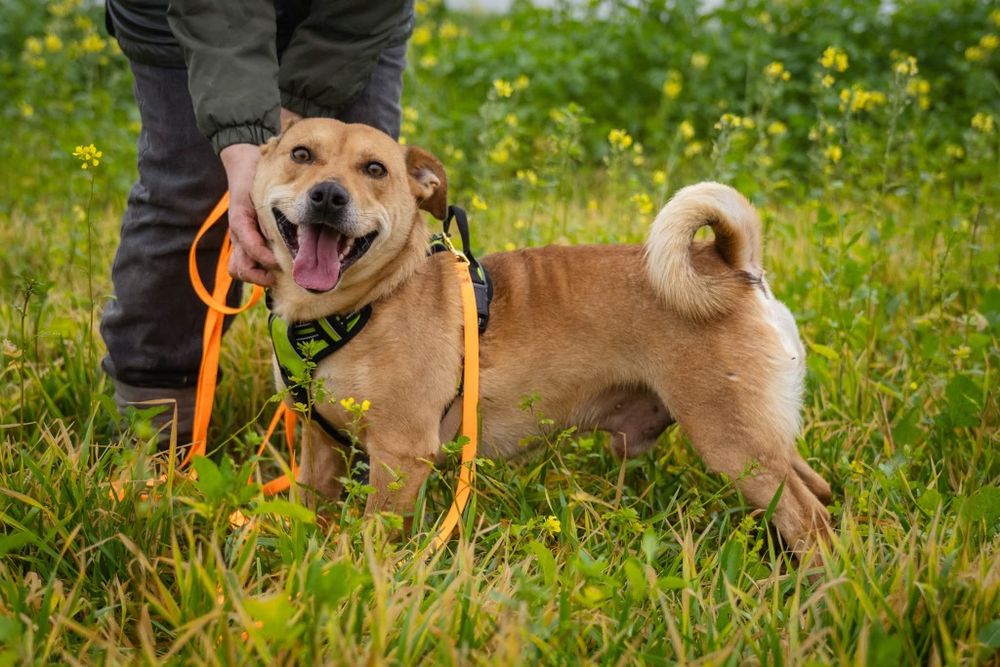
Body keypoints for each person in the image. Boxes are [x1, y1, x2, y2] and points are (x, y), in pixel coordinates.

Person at [100, 1, 414, 445]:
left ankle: (370, 426)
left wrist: (303, 103)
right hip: (191, 9)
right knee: (190, 192)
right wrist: (241, 141)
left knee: (366, 193)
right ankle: (154, 422)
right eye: (303, 155)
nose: (329, 188)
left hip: (356, 13)